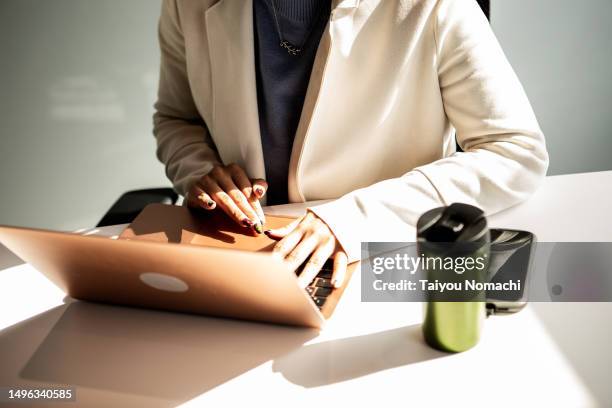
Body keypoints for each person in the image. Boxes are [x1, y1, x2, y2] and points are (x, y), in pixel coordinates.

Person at [153, 0, 549, 288]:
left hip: (377, 263)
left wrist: (355, 219)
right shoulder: (185, 5)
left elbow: (514, 151)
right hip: (243, 258)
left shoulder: (439, 6)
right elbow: (176, 119)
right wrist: (202, 173)